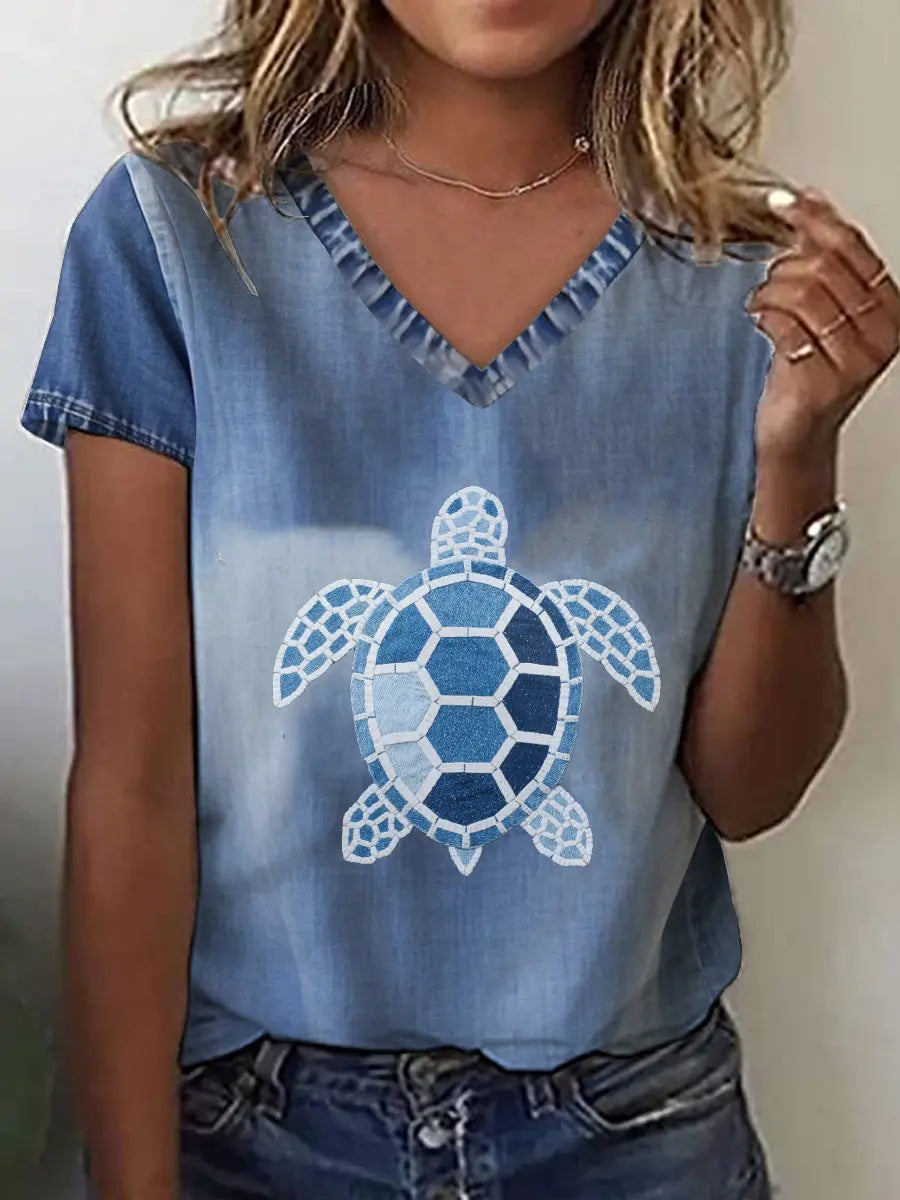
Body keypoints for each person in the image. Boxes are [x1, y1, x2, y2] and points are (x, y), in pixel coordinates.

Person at [21, 1, 899, 1197]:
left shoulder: (747, 278)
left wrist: (799, 452)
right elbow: (133, 789)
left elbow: (749, 791)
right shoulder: (181, 239)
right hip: (252, 1127)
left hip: (630, 1128)